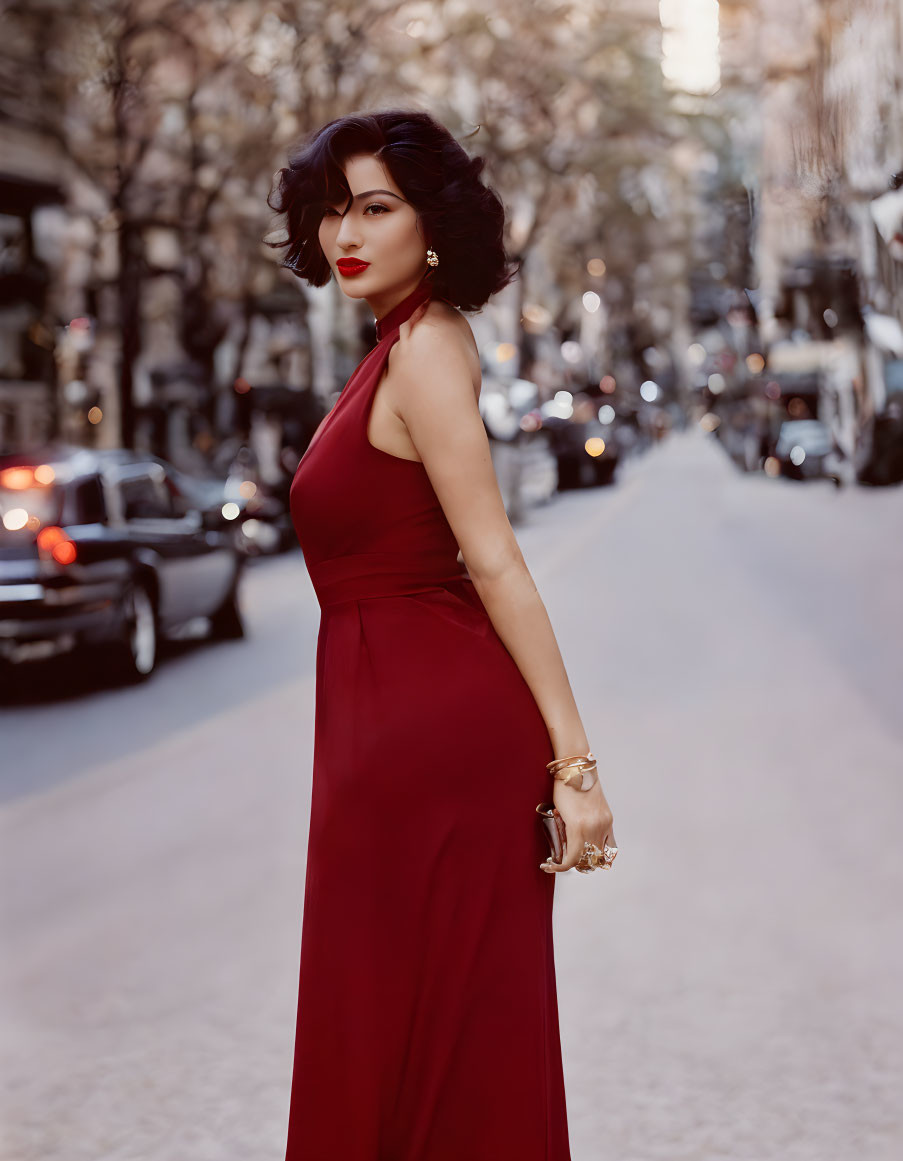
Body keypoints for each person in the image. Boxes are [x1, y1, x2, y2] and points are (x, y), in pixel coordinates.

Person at [267, 108, 617, 1161]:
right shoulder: (399, 347)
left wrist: (575, 763)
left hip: (430, 739)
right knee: (410, 1026)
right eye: (332, 211)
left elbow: (496, 559)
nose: (347, 234)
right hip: (392, 726)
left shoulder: (423, 351)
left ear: (434, 224)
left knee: (423, 1032)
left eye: (376, 207)